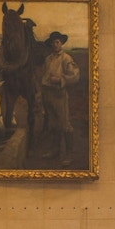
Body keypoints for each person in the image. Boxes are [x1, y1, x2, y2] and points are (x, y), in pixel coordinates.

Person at [39, 31, 80, 165]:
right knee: (53, 123)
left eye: (57, 42)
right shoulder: (48, 59)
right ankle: (55, 150)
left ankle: (69, 154)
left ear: (61, 43)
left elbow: (75, 76)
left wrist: (60, 79)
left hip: (59, 94)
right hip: (48, 94)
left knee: (64, 124)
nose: (55, 45)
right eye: (53, 43)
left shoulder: (66, 58)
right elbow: (44, 76)